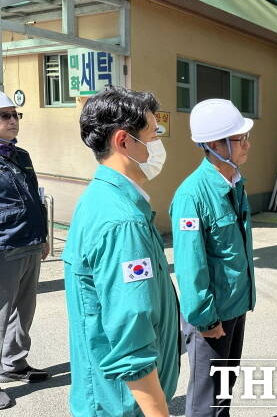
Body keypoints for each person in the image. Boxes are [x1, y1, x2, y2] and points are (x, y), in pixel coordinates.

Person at [62, 86, 179, 417]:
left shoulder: (101, 198)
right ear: (124, 141)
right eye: (153, 134)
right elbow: (132, 335)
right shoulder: (123, 222)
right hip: (123, 405)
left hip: (110, 398)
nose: (159, 145)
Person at [170, 99, 256, 417]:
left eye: (246, 136)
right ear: (214, 145)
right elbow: (190, 265)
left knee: (224, 385)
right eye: (239, 139)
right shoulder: (192, 195)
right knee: (206, 397)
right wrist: (205, 319)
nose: (247, 144)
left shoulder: (233, 182)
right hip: (211, 315)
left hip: (234, 305)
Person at [0, 91, 49, 410]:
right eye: (5, 116)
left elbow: (34, 197)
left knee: (23, 310)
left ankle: (14, 364)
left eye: (15, 115)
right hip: (4, 246)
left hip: (30, 242)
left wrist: (43, 236)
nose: (13, 121)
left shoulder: (21, 155)